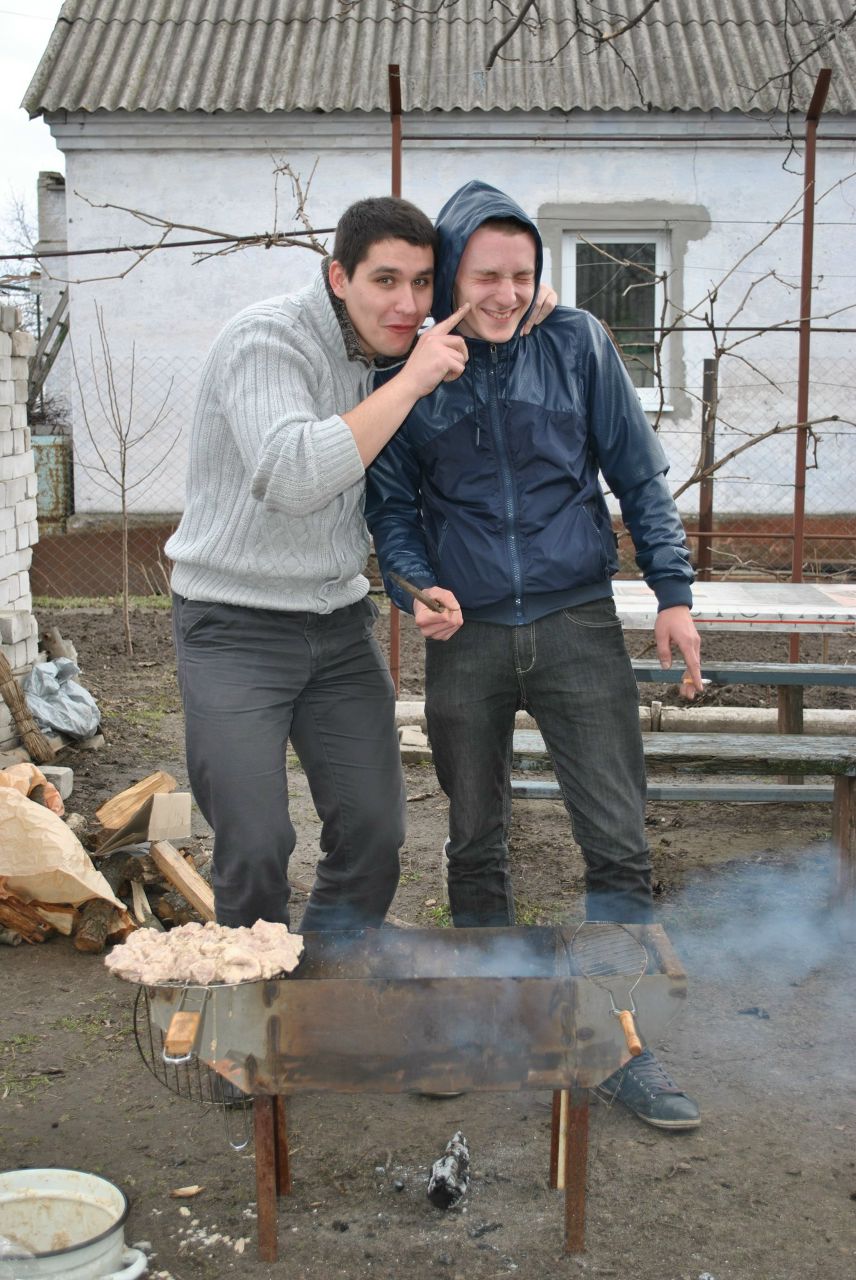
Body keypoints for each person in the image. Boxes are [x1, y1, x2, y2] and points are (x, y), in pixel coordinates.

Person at [365, 181, 704, 1130]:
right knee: (475, 842)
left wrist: (673, 595)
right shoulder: (418, 366)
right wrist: (412, 585)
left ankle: (615, 1042)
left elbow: (637, 473)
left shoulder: (580, 343)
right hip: (465, 638)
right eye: (486, 277)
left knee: (617, 842)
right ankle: (488, 1023)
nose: (507, 294)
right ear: (451, 276)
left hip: (577, 624)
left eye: (522, 275)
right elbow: (389, 506)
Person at [165, 194, 555, 933]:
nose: (406, 304)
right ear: (338, 277)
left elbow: (380, 497)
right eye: (385, 281)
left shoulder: (398, 341)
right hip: (233, 625)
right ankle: (255, 1015)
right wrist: (412, 380)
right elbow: (294, 476)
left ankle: (327, 984)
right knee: (254, 841)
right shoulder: (268, 342)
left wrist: (525, 297)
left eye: (420, 283)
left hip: (339, 626)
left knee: (376, 833)